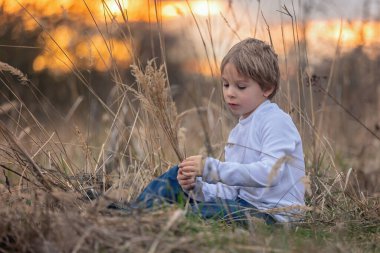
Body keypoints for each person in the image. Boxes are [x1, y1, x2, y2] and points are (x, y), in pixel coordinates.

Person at [110, 38, 305, 224]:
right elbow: (231, 191)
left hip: (272, 215)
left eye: (241, 86)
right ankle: (135, 213)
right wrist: (197, 188)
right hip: (242, 205)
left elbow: (270, 173)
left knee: (194, 213)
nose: (230, 92)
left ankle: (149, 219)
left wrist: (212, 169)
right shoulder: (238, 132)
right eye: (226, 84)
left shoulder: (276, 121)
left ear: (267, 88)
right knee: (175, 177)